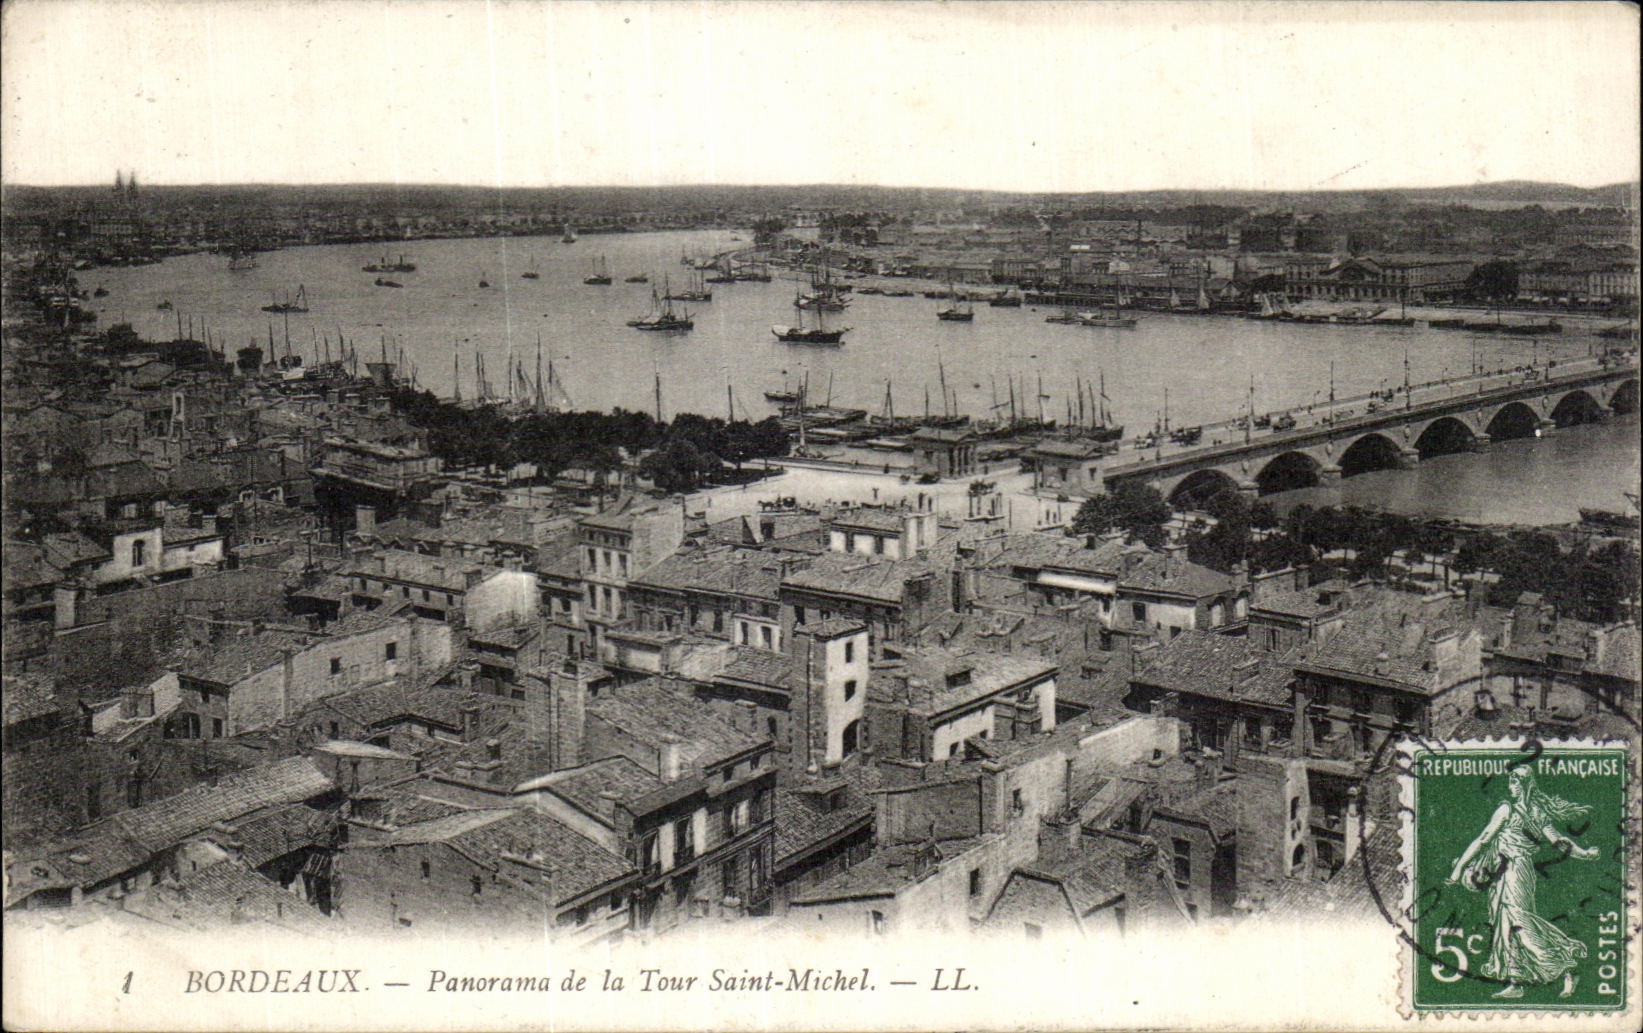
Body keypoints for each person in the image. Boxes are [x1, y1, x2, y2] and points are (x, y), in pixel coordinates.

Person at [1446, 765, 1600, 999]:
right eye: (1510, 783)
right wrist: (1585, 853)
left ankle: (1567, 967)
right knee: (1505, 924)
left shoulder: (1519, 811)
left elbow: (1559, 842)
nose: (1511, 787)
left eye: (1515, 783)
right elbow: (1485, 839)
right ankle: (1517, 982)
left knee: (1520, 922)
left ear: (1526, 784)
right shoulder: (1521, 810)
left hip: (1517, 872)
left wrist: (1585, 854)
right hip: (1503, 871)